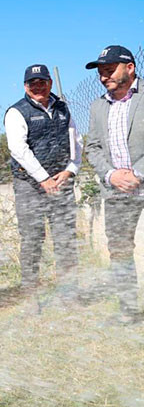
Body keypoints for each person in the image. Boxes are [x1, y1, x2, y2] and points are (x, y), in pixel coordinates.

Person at [4, 64, 81, 292]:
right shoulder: (16, 112)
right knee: (33, 239)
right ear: (25, 87)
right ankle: (31, 295)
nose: (38, 87)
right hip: (29, 185)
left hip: (61, 181)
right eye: (32, 83)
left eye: (42, 82)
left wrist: (70, 170)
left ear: (50, 83)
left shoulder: (63, 109)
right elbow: (18, 149)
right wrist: (43, 178)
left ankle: (69, 293)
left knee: (66, 238)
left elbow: (76, 142)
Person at [83, 45, 144, 322]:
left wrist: (138, 174)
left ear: (130, 68)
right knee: (119, 248)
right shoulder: (97, 106)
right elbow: (92, 147)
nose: (104, 77)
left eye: (109, 70)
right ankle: (129, 310)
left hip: (139, 179)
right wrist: (111, 175)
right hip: (116, 190)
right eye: (101, 73)